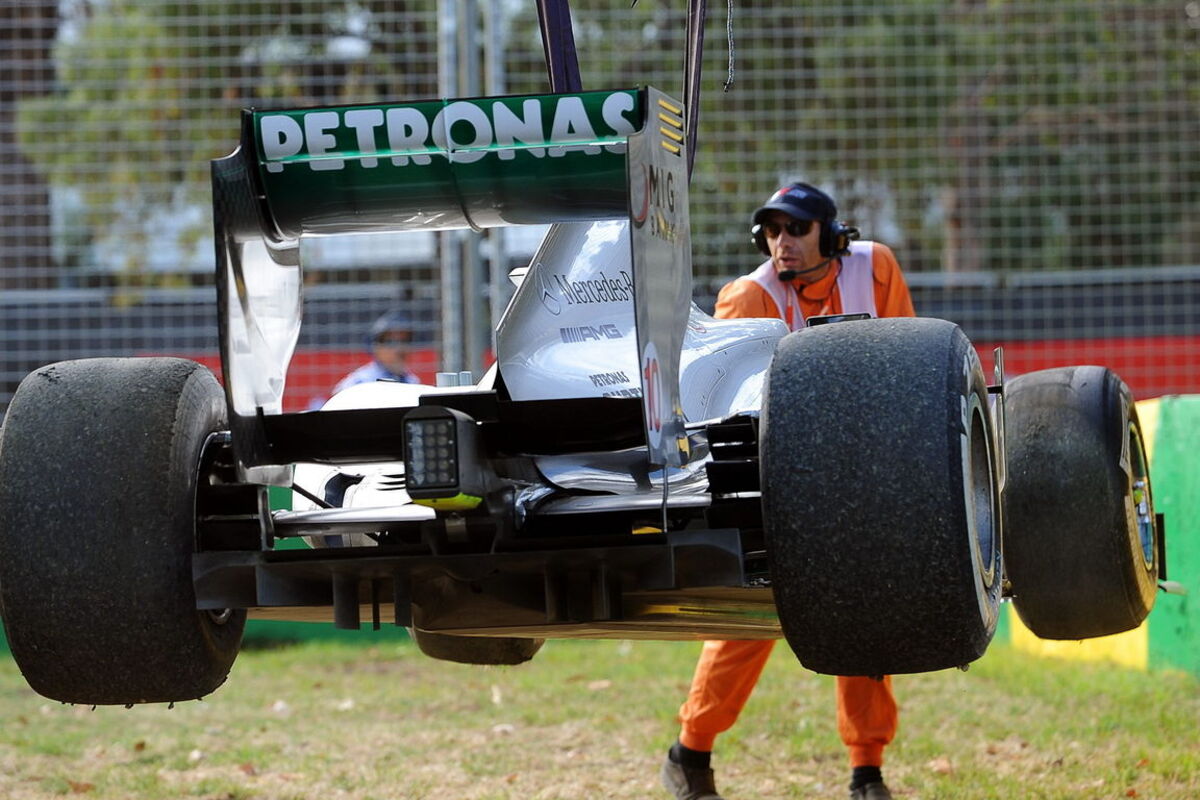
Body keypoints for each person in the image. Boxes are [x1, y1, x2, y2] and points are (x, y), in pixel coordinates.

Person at [660, 182, 916, 800]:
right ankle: (689, 752)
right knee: (750, 623)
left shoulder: (875, 267)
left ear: (829, 235)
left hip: (861, 477)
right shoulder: (749, 296)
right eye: (773, 231)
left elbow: (911, 354)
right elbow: (725, 402)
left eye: (796, 229)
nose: (783, 243)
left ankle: (866, 770)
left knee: (860, 618)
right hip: (777, 481)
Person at [329, 309, 421, 396]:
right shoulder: (359, 383)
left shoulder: (412, 381)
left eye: (405, 341)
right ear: (376, 347)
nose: (400, 349)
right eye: (391, 342)